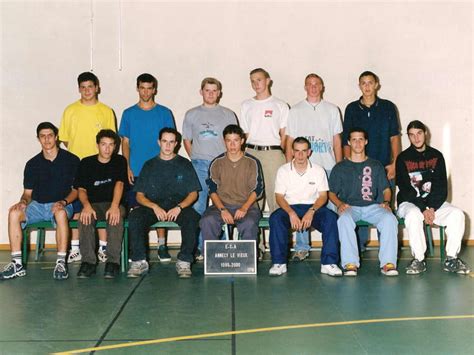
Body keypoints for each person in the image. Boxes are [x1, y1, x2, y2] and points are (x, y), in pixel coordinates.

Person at [1, 122, 79, 280]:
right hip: (38, 205)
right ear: (38, 139)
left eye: (50, 135)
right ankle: (17, 264)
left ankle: (61, 262)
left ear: (56, 137)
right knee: (14, 213)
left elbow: (76, 190)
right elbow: (27, 193)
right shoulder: (32, 164)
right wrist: (23, 202)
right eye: (42, 136)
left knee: (61, 214)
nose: (47, 139)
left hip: (61, 203)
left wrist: (63, 202)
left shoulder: (71, 160)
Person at [396, 120, 470, 274]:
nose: (416, 138)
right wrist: (423, 209)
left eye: (419, 134)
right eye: (412, 135)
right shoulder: (403, 158)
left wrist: (431, 208)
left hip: (432, 205)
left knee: (457, 214)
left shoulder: (436, 156)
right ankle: (419, 260)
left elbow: (441, 187)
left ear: (425, 133)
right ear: (408, 137)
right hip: (409, 202)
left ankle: (451, 259)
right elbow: (406, 189)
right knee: (413, 215)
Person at [127, 128, 201, 278]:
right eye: (165, 141)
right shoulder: (149, 165)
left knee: (192, 218)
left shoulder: (184, 164)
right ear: (159, 142)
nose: (168, 146)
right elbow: (140, 195)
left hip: (178, 206)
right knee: (135, 216)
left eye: (171, 142)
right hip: (154, 206)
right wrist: (154, 206)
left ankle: (184, 261)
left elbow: (193, 193)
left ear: (176, 144)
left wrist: (179, 207)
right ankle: (139, 261)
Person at [59, 71, 116, 263]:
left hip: (99, 165)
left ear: (97, 87)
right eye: (83, 87)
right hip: (76, 165)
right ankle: (75, 248)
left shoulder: (106, 111)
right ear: (78, 89)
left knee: (100, 203)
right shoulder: (70, 110)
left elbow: (111, 139)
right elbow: (65, 139)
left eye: (90, 86)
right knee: (78, 206)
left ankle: (103, 247)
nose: (87, 91)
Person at [119, 73, 176, 263]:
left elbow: (171, 141)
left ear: (154, 90)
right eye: (142, 88)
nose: (145, 92)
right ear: (137, 88)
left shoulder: (164, 113)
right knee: (137, 210)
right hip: (135, 170)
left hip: (159, 170)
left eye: (149, 88)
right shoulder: (128, 113)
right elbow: (125, 142)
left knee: (160, 205)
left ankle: (161, 245)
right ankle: (137, 249)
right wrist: (126, 165)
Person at [286, 73, 343, 261]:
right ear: (305, 87)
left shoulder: (332, 109)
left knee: (331, 209)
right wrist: (289, 166)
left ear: (322, 86)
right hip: (303, 168)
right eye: (309, 84)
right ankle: (302, 247)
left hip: (327, 166)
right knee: (302, 204)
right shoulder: (295, 110)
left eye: (316, 83)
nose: (313, 87)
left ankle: (332, 247)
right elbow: (290, 140)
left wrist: (339, 166)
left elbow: (336, 140)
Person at [342, 71, 401, 251]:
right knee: (359, 207)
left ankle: (388, 249)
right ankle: (358, 248)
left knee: (385, 209)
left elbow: (395, 138)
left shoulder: (388, 107)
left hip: (383, 168)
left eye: (370, 83)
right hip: (359, 169)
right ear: (359, 86)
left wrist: (395, 164)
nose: (367, 86)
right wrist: (348, 164)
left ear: (376, 85)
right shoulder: (351, 109)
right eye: (363, 83)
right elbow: (347, 140)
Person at [329, 128, 399, 276]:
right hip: (350, 207)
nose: (357, 143)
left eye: (361, 139)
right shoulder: (340, 167)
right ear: (349, 142)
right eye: (354, 139)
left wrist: (386, 202)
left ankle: (388, 263)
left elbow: (386, 189)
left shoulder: (375, 165)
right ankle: (350, 264)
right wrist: (339, 204)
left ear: (366, 141)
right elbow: (331, 193)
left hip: (372, 206)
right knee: (344, 220)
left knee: (389, 219)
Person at [268, 137, 341, 276]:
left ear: (309, 152)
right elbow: (279, 197)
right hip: (290, 207)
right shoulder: (283, 170)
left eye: (304, 151)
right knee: (275, 219)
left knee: (331, 218)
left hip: (312, 207)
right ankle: (279, 263)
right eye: (297, 151)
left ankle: (328, 263)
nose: (300, 155)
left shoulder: (319, 170)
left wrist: (312, 211)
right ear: (292, 152)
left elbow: (323, 196)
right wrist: (291, 213)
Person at [182, 77, 238, 258]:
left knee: (222, 205)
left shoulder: (228, 114)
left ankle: (221, 246)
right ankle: (199, 248)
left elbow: (234, 141)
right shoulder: (191, 114)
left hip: (222, 166)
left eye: (214, 91)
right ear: (201, 92)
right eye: (207, 90)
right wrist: (196, 158)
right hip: (199, 165)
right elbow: (187, 141)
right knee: (198, 206)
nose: (211, 94)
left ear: (219, 93)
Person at [240, 68, 288, 256]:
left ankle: (279, 248)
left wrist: (277, 152)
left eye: (259, 80)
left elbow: (284, 135)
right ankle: (256, 248)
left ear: (268, 81)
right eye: (252, 80)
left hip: (273, 154)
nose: (256, 84)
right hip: (252, 152)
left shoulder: (280, 105)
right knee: (253, 201)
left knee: (277, 200)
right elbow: (245, 134)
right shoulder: (246, 105)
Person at [200, 125, 264, 252]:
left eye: (236, 140)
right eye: (229, 141)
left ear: (242, 141)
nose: (232, 145)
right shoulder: (217, 162)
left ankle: (246, 262)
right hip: (222, 206)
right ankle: (212, 261)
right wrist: (222, 209)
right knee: (207, 221)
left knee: (249, 223)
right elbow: (212, 190)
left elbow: (257, 189)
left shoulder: (252, 162)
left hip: (247, 206)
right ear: (224, 142)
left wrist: (244, 208)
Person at [74, 130, 127, 279]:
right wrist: (86, 206)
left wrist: (115, 206)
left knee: (115, 217)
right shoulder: (86, 162)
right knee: (85, 218)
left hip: (113, 203)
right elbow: (81, 189)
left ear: (115, 146)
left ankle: (113, 262)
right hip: (93, 204)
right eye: (104, 144)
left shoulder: (119, 161)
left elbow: (120, 184)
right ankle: (88, 263)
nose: (107, 148)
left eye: (111, 145)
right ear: (97, 145)